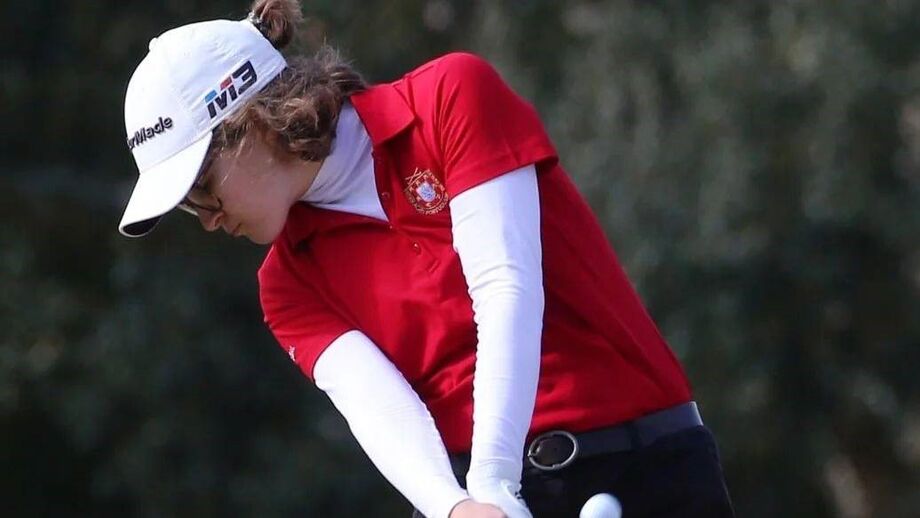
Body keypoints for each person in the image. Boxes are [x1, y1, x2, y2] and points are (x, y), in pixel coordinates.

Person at [116, 0, 735, 516]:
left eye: (199, 190)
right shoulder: (286, 285)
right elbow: (380, 410)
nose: (207, 219)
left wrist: (494, 481)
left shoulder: (449, 98)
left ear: (248, 123)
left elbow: (505, 286)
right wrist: (456, 507)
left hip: (646, 471)